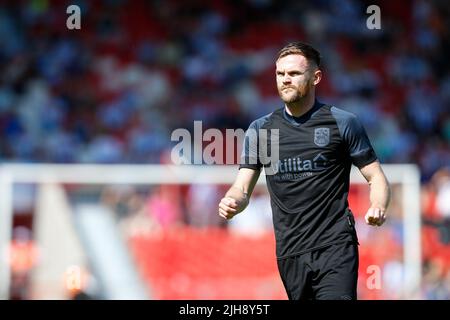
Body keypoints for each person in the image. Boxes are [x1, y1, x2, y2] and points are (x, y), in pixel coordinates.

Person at [218, 41, 391, 300]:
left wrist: (378, 205)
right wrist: (233, 201)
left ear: (316, 77)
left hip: (335, 245)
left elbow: (375, 176)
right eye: (280, 74)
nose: (286, 80)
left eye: (294, 73)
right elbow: (243, 186)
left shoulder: (343, 122)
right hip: (290, 251)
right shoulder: (262, 130)